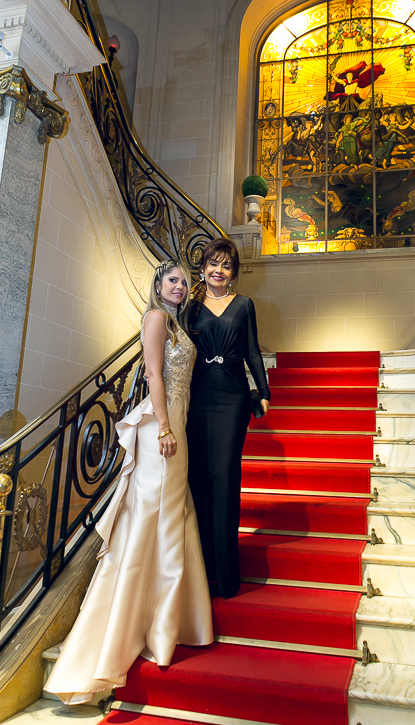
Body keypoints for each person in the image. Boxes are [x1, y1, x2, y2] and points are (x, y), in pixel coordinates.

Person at [44, 261, 213, 704]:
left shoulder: (176, 322)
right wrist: (163, 426)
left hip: (174, 417)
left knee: (169, 514)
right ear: (158, 286)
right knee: (155, 516)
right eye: (172, 280)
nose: (179, 286)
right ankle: (147, 629)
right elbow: (154, 373)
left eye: (183, 281)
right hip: (161, 422)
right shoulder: (156, 318)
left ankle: (165, 621)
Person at [186, 239, 270, 599]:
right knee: (198, 479)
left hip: (233, 397)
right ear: (202, 268)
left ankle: (226, 573)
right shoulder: (189, 308)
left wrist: (264, 392)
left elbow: (252, 349)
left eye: (226, 266)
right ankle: (199, 568)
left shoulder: (244, 305)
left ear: (233, 274)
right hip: (198, 397)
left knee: (224, 476)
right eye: (213, 264)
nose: (218, 271)